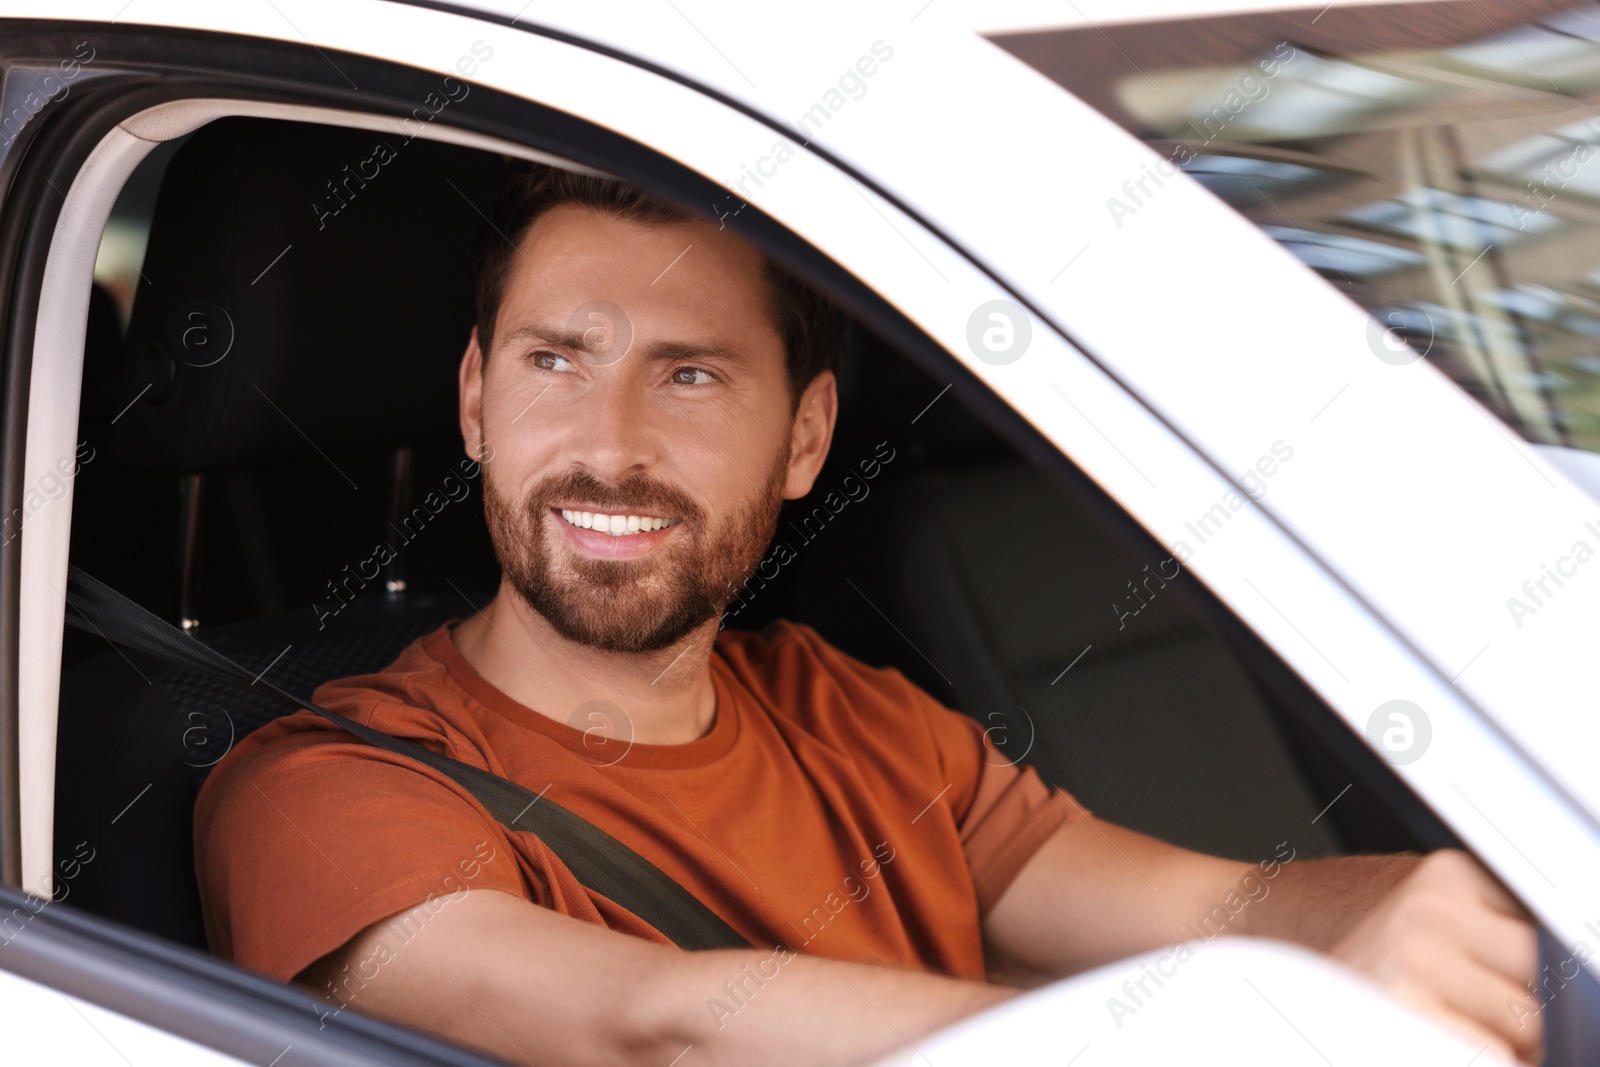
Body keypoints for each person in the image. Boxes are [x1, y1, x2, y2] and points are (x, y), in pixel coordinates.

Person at [194, 163, 1542, 1066]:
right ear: (478, 402)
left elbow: (1215, 908)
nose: (608, 445)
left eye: (691, 376)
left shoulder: (842, 709)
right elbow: (658, 1029)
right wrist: (1252, 1029)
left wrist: (1464, 918)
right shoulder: (324, 787)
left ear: (804, 437)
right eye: (559, 361)